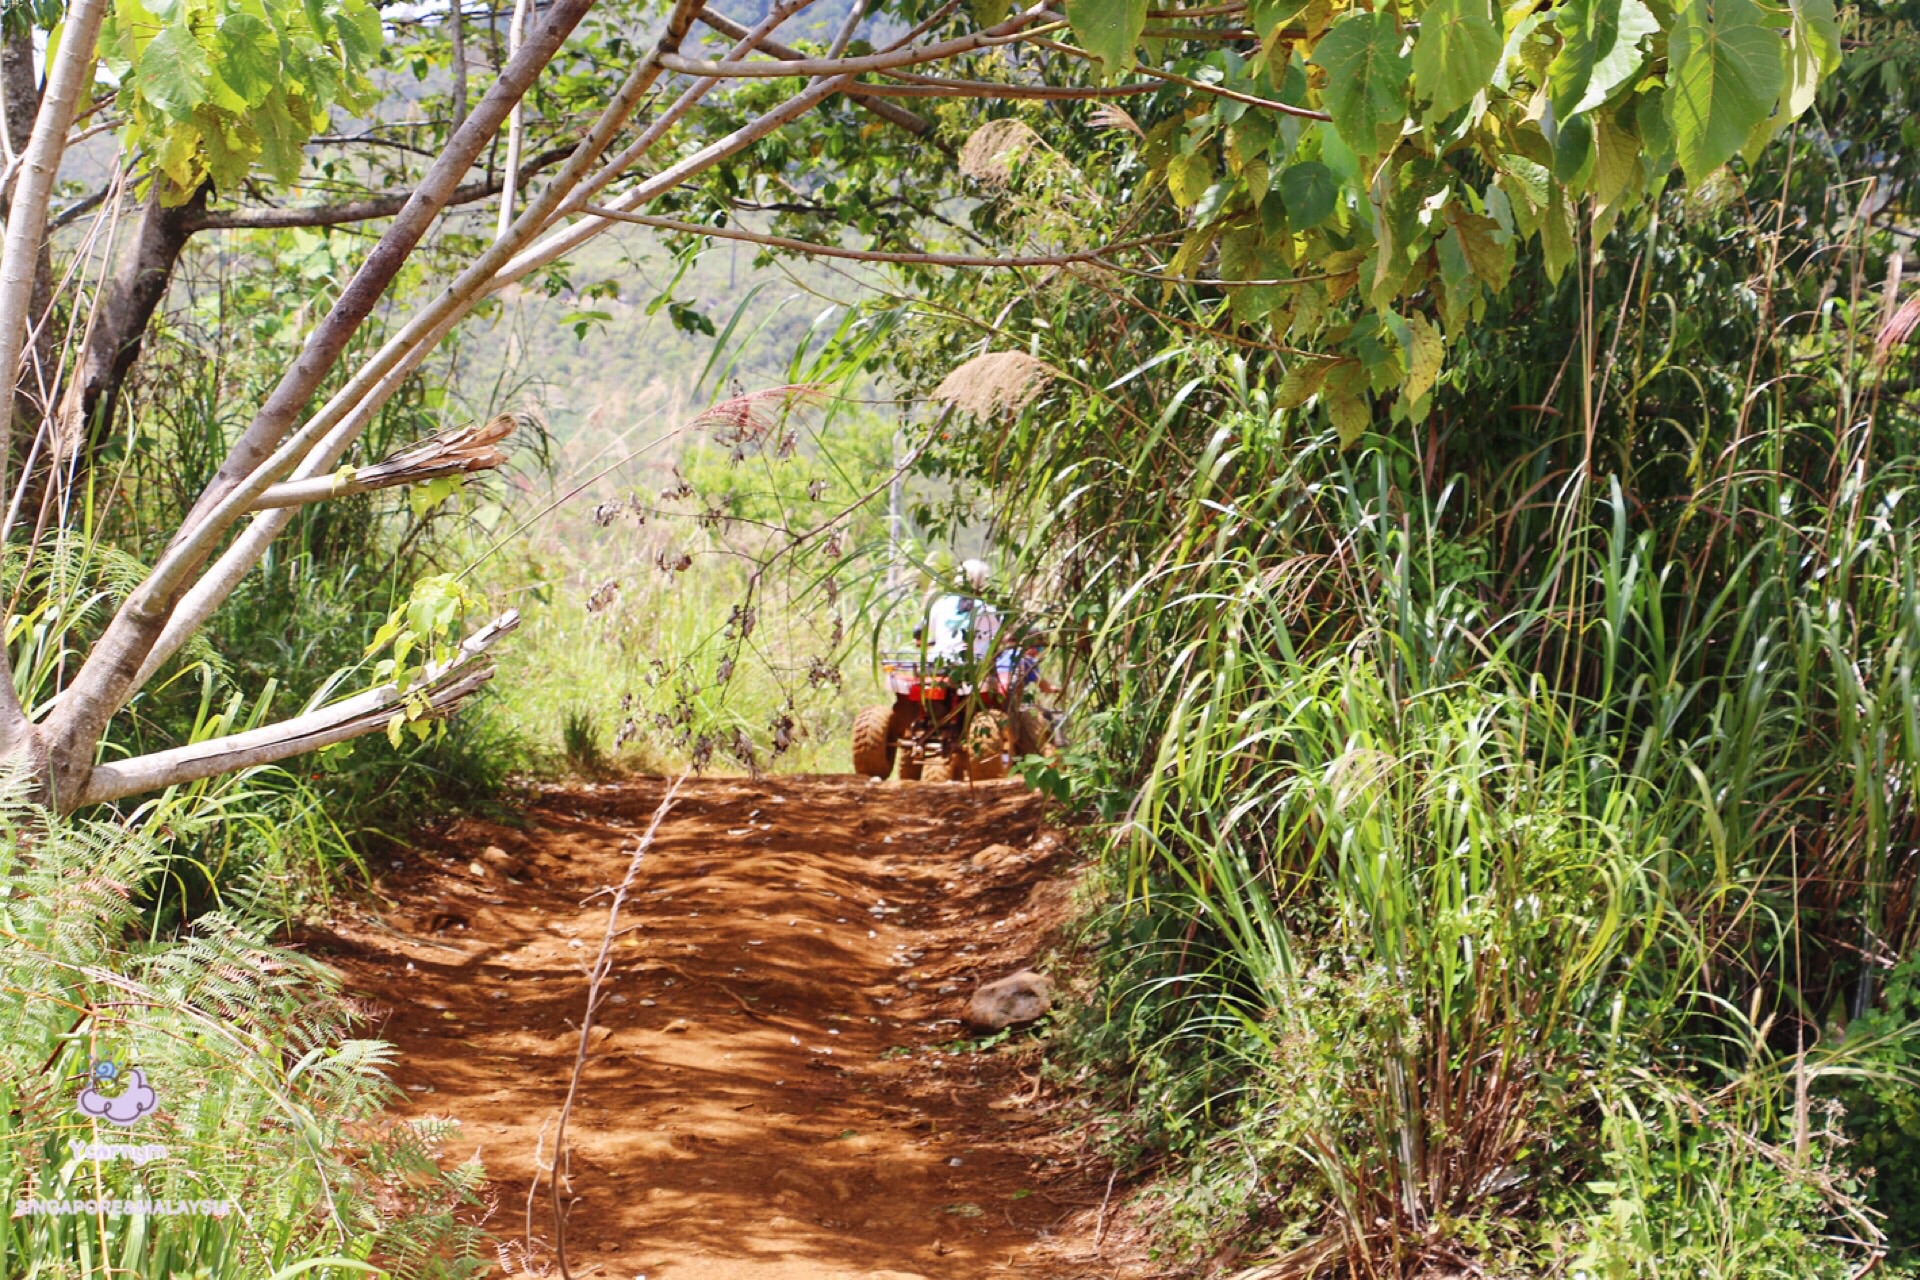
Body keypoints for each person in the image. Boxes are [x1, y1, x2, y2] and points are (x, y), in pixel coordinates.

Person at [924, 558, 1001, 665]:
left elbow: (929, 627)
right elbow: (999, 635)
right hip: (973, 666)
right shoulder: (988, 612)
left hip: (938, 661)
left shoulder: (940, 604)